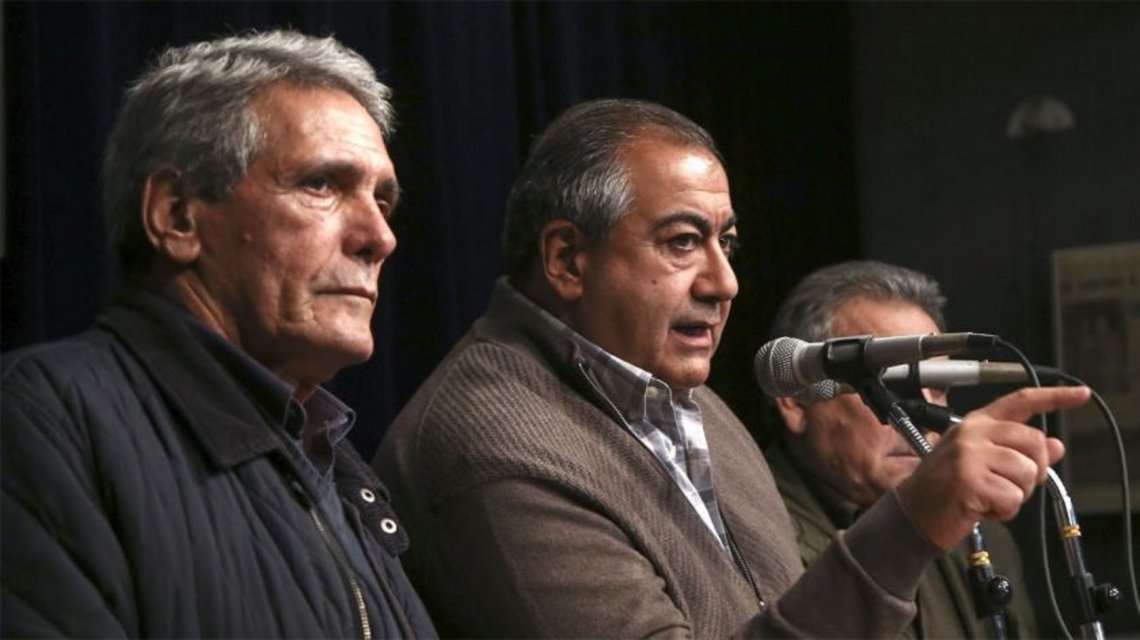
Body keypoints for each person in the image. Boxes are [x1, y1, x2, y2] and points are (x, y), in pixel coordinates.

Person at [374, 98, 1089, 637]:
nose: (725, 282)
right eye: (683, 242)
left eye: (727, 243)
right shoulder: (493, 446)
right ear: (567, 260)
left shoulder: (693, 404)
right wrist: (909, 526)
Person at [1, 30, 436, 638]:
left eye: (382, 200)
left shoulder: (333, 465)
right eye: (321, 185)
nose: (380, 237)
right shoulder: (42, 420)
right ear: (178, 215)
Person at [765, 259, 1038, 638]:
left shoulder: (982, 536)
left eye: (937, 386)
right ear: (797, 400)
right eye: (891, 382)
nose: (924, 415)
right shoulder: (749, 532)